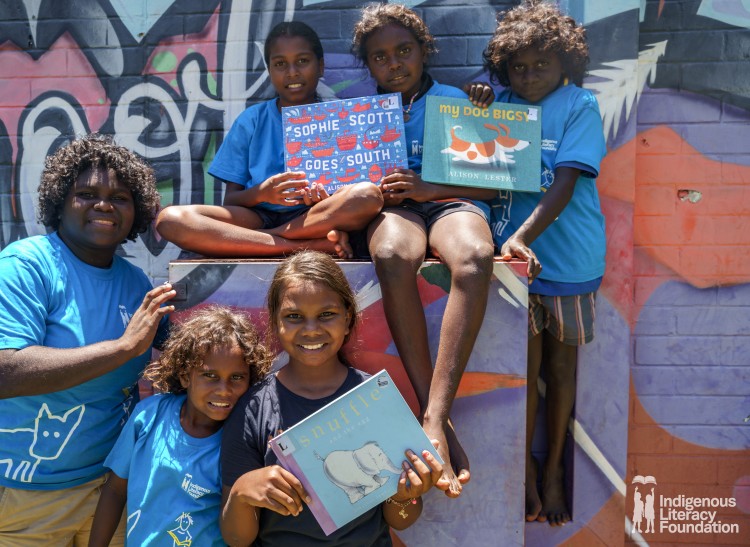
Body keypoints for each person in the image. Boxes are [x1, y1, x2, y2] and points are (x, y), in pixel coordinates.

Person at [0, 134, 175, 545]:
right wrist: (123, 349)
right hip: (29, 496)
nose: (104, 204)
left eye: (120, 197)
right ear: (59, 203)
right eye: (86, 193)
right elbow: (7, 370)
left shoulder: (135, 284)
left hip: (108, 490)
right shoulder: (26, 266)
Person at [351, 3, 496, 497]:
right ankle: (436, 420)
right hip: (396, 214)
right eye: (380, 57)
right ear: (368, 65)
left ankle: (434, 415)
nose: (394, 64)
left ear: (424, 51)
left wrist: (427, 187)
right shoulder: (352, 115)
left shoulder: (461, 102)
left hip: (449, 205)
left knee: (475, 258)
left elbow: (497, 185)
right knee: (391, 256)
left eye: (404, 52)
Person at [481, 0, 607, 526]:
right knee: (521, 374)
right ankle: (526, 476)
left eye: (542, 65)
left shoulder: (579, 105)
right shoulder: (499, 103)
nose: (529, 76)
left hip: (567, 264)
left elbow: (565, 182)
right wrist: (477, 106)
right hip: (513, 270)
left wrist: (521, 237)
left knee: (559, 372)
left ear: (565, 65)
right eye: (518, 67)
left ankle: (554, 469)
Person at [220, 250, 443, 545]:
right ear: (275, 323)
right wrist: (242, 493)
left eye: (326, 315)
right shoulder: (253, 408)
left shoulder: (377, 400)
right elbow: (236, 539)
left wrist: (406, 496)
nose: (311, 330)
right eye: (294, 317)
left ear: (348, 319)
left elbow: (399, 520)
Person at [156, 21, 383, 258]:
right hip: (259, 217)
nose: (292, 72)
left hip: (319, 216)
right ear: (270, 70)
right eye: (280, 64)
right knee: (170, 220)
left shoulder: (342, 118)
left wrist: (330, 195)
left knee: (367, 195)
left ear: (321, 66)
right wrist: (263, 193)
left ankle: (273, 238)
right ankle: (299, 245)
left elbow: (353, 189)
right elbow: (231, 199)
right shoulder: (251, 121)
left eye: (303, 61)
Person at [89, 305, 271, 546]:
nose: (224, 390)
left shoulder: (242, 440)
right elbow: (114, 490)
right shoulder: (149, 416)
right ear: (186, 375)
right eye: (210, 375)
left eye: (237, 377)